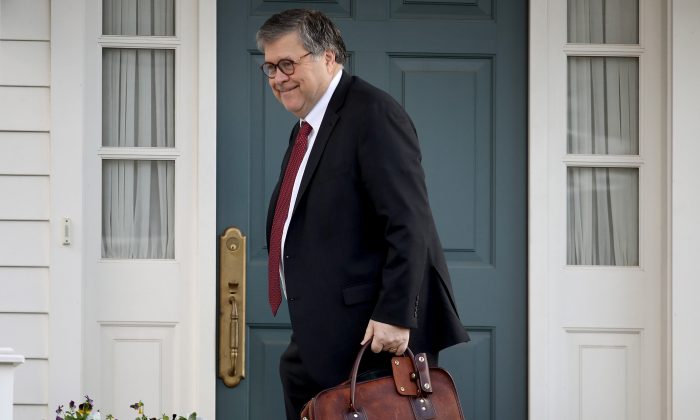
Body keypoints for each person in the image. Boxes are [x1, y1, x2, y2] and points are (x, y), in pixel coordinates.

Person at [257, 9, 470, 419]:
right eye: (269, 67)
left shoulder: (372, 114)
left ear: (329, 57)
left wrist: (394, 314)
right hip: (323, 330)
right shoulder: (307, 127)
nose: (278, 77)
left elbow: (410, 223)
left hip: (373, 334)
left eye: (288, 63)